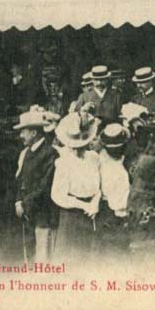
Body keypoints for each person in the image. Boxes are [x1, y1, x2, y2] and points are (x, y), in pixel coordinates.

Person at [51, 112, 101, 261]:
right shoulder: (64, 162)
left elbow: (99, 186)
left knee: (88, 260)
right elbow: (58, 195)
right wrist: (84, 206)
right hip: (71, 216)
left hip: (91, 216)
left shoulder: (93, 158)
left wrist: (95, 203)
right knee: (70, 260)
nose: (79, 147)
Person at [13, 108, 59, 261]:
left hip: (43, 216)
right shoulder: (26, 153)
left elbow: (46, 186)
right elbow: (20, 180)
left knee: (43, 258)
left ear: (33, 133)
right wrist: (19, 201)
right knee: (30, 258)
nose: (20, 136)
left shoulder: (50, 153)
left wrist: (25, 204)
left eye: (23, 132)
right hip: (28, 215)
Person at [95, 123, 131, 259]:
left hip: (103, 212)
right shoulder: (117, 172)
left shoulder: (100, 160)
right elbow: (120, 205)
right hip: (113, 216)